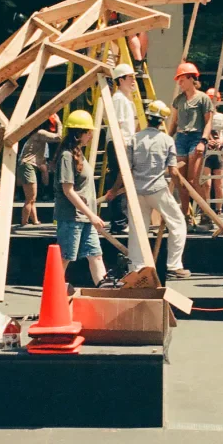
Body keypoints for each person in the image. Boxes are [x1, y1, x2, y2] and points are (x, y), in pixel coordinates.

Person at [103, 99, 190, 279]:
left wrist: (113, 190)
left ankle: (136, 268)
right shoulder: (166, 140)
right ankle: (174, 266)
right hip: (157, 189)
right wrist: (182, 189)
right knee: (178, 223)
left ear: (147, 117)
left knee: (137, 230)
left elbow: (125, 171)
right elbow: (173, 171)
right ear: (162, 121)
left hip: (137, 191)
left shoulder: (134, 139)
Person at [54, 109, 109, 287]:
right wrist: (91, 215)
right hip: (72, 217)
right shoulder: (66, 156)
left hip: (85, 217)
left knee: (96, 254)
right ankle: (54, 293)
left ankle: (104, 288)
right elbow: (67, 190)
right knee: (65, 257)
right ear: (79, 134)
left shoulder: (78, 155)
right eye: (89, 132)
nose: (91, 136)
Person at [166, 62, 214, 225]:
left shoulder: (203, 98)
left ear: (191, 79)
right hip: (181, 139)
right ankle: (185, 216)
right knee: (181, 181)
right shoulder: (178, 100)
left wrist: (203, 141)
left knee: (193, 180)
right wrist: (167, 139)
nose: (179, 83)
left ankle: (206, 214)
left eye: (182, 79)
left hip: (196, 138)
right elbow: (174, 121)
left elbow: (208, 122)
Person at [106, 64, 141, 235]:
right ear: (121, 80)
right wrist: (123, 148)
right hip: (119, 144)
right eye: (130, 77)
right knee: (120, 181)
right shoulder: (119, 99)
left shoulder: (125, 99)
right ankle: (119, 223)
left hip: (124, 144)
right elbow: (117, 126)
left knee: (123, 183)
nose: (134, 80)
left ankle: (120, 221)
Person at [17, 114, 61, 227]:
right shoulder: (40, 133)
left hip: (27, 165)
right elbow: (58, 137)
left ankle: (35, 220)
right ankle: (24, 222)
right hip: (28, 165)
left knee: (32, 198)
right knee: (30, 198)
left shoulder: (36, 135)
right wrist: (59, 123)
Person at [203, 87, 223, 221]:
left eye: (214, 99)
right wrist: (207, 140)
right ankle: (206, 210)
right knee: (206, 183)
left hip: (220, 152)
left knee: (219, 183)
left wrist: (221, 141)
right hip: (206, 151)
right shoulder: (203, 115)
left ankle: (218, 210)